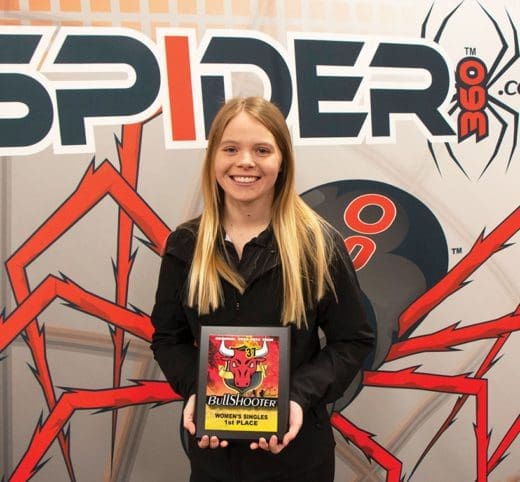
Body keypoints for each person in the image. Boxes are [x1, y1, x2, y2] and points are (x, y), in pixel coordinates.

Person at [150, 96, 375, 482]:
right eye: (230, 149)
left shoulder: (318, 244)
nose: (245, 162)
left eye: (262, 150)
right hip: (214, 460)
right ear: (213, 158)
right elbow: (168, 339)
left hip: (300, 458)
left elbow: (353, 340)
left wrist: (298, 397)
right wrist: (198, 392)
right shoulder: (186, 245)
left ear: (282, 160)